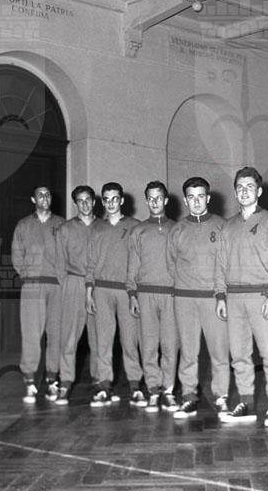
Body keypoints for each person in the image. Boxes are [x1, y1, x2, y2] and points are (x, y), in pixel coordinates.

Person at [214, 166, 268, 425]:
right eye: (240, 188)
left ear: (259, 191)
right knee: (239, 354)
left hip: (262, 296)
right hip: (234, 298)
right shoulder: (228, 226)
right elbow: (220, 264)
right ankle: (246, 402)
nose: (244, 192)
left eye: (250, 187)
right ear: (235, 192)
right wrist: (220, 296)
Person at [167, 176, 230, 419]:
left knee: (219, 350)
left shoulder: (222, 226)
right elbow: (171, 263)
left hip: (213, 298)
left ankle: (222, 397)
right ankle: (189, 396)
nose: (196, 202)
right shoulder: (177, 229)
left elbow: (226, 264)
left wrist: (221, 294)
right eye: (191, 197)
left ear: (208, 198)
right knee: (188, 351)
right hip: (185, 298)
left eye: (200, 196)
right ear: (185, 200)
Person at [85, 182, 143, 405]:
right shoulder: (96, 228)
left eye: (114, 199)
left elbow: (139, 261)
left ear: (122, 200)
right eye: (106, 199)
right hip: (102, 290)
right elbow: (90, 263)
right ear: (102, 201)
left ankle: (135, 386)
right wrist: (89, 293)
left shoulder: (135, 227)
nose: (110, 203)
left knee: (130, 341)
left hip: (126, 291)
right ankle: (104, 386)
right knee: (103, 341)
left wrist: (134, 292)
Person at [126, 181, 178, 412]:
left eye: (159, 197)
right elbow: (133, 264)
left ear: (166, 200)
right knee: (148, 345)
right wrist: (132, 293)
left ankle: (168, 389)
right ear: (146, 200)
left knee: (170, 344)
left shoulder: (177, 229)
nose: (155, 202)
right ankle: (153, 389)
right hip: (145, 294)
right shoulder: (138, 231)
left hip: (171, 295)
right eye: (151, 198)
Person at [11, 185, 65, 404]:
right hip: (33, 287)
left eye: (48, 194)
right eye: (40, 195)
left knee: (56, 334)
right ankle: (30, 382)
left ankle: (53, 380)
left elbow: (69, 253)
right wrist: (28, 274)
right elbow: (16, 254)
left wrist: (63, 277)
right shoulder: (23, 225)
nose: (45, 197)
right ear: (33, 199)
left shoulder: (61, 224)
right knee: (31, 334)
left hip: (57, 287)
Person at [54, 185, 99, 406]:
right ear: (75, 204)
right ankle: (65, 383)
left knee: (99, 337)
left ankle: (101, 384)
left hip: (99, 286)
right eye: (80, 200)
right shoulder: (65, 229)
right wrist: (68, 287)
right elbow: (59, 264)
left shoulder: (103, 227)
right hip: (73, 284)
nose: (85, 204)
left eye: (88, 199)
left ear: (94, 201)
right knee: (69, 337)